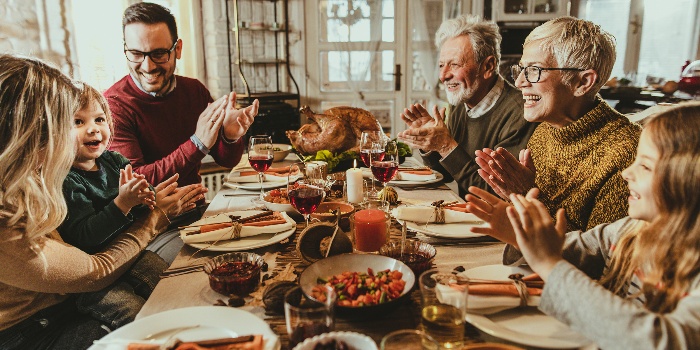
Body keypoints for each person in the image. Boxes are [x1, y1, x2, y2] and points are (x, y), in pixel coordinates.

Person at [0, 54, 201, 349]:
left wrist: (150, 201)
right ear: (27, 134)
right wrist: (155, 218)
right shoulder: (9, 219)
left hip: (70, 296)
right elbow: (94, 273)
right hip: (36, 330)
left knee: (181, 291)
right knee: (152, 328)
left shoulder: (33, 175)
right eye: (66, 123)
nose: (66, 138)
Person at [466, 102, 700, 348]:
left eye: (645, 165)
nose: (626, 173)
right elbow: (569, 250)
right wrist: (523, 235)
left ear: (688, 181)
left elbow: (659, 341)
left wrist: (549, 263)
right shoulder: (630, 230)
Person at [475, 17, 640, 231]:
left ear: (583, 82)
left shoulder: (627, 153)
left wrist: (527, 196)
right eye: (522, 69)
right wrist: (514, 198)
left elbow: (597, 256)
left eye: (535, 70)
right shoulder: (545, 131)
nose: (519, 83)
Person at [58, 83, 176, 330]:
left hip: (133, 256)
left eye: (99, 119)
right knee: (134, 315)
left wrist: (146, 194)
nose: (93, 129)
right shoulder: (67, 179)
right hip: (97, 276)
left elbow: (146, 201)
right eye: (78, 122)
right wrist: (122, 203)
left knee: (172, 291)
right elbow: (85, 235)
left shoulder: (115, 161)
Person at [105, 2, 258, 190]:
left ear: (177, 49)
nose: (147, 66)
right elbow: (136, 182)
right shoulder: (113, 106)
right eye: (136, 54)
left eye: (159, 53)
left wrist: (230, 136)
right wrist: (198, 143)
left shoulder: (194, 90)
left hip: (196, 210)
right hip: (152, 219)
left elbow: (227, 161)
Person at [397, 14, 535, 197]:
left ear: (488, 66)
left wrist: (446, 145)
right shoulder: (460, 101)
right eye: (441, 65)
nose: (443, 76)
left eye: (454, 64)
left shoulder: (520, 114)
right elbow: (445, 175)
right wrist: (431, 145)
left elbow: (493, 195)